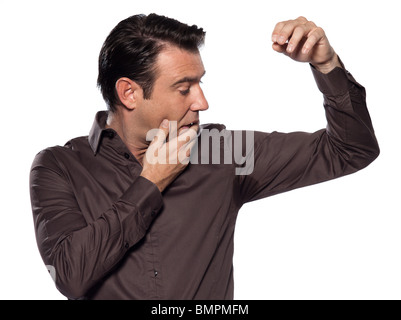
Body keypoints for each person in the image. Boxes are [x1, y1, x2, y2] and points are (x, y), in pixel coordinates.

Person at [29, 13, 379, 300]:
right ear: (129, 93)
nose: (202, 102)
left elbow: (350, 150)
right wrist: (151, 182)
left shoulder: (220, 152)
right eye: (184, 88)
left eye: (200, 84)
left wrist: (327, 65)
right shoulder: (59, 166)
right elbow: (71, 275)